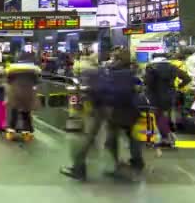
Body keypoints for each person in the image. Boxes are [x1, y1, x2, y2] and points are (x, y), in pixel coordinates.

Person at [61, 50, 144, 181]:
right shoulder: (131, 74)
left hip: (107, 109)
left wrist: (89, 96)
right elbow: (136, 90)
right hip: (128, 111)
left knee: (87, 138)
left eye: (113, 57)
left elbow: (101, 90)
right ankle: (128, 164)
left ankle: (79, 169)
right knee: (118, 138)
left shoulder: (109, 72)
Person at [145, 53, 191, 147]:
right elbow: (187, 78)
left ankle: (162, 138)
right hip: (170, 96)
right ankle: (167, 138)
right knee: (167, 117)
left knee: (156, 117)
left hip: (155, 96)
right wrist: (178, 87)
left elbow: (148, 83)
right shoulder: (172, 67)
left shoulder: (151, 68)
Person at [5, 62, 41, 141]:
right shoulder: (33, 72)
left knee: (13, 113)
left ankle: (11, 132)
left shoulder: (13, 71)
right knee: (26, 114)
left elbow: (8, 81)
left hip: (15, 93)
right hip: (27, 94)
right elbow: (36, 82)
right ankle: (26, 133)